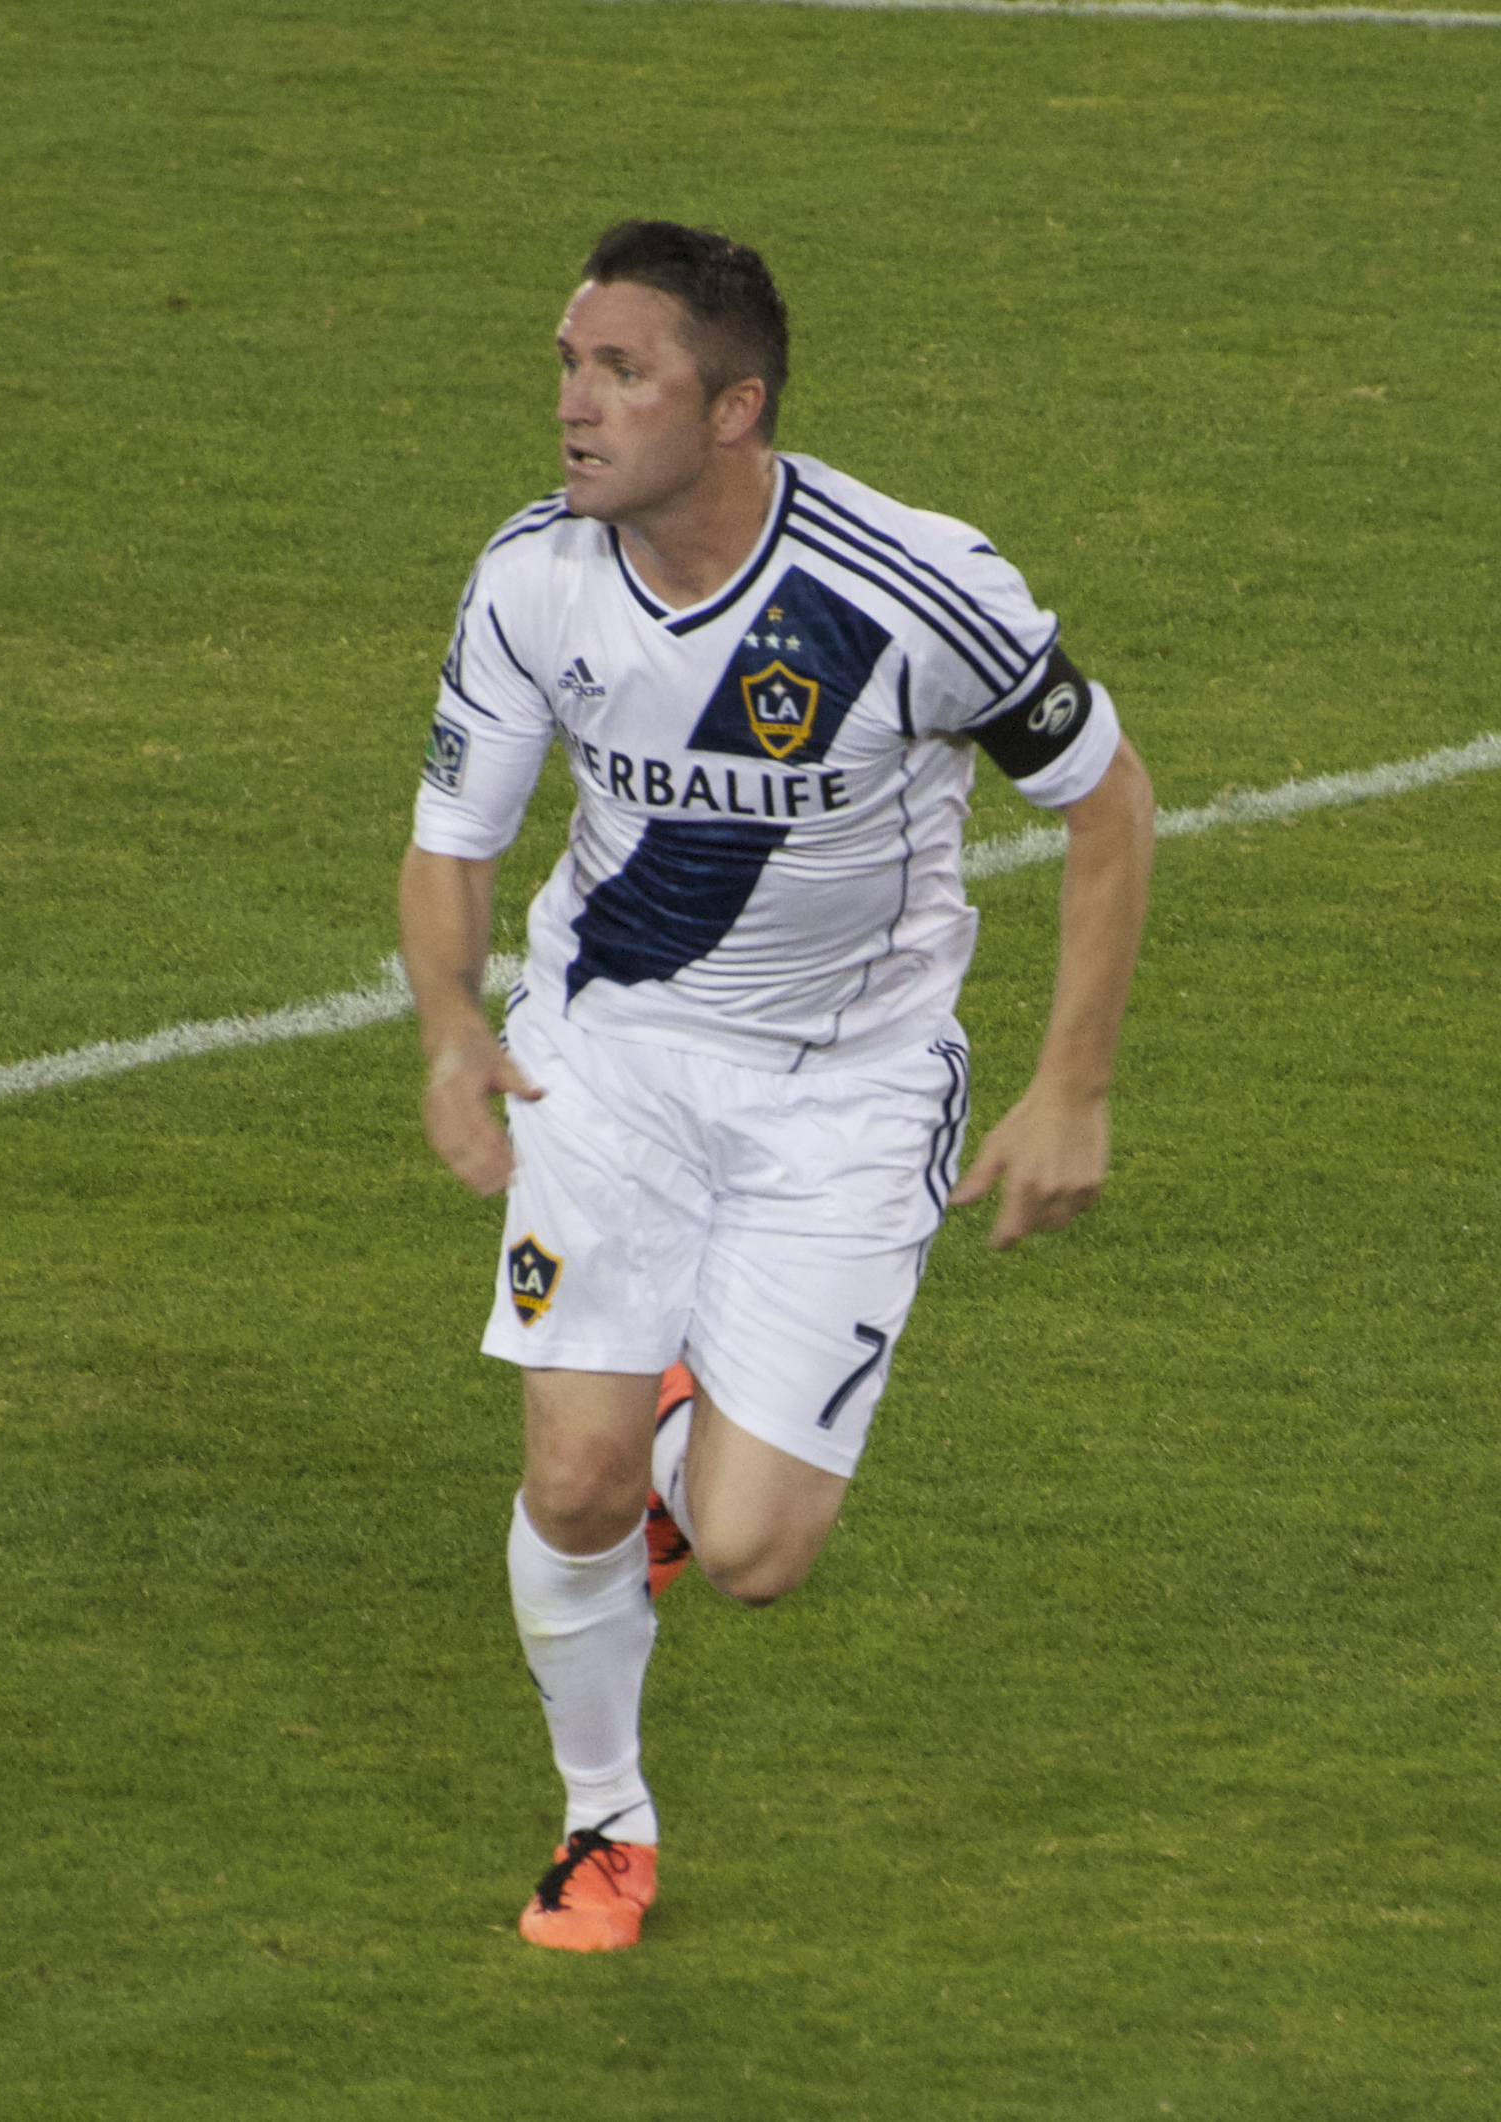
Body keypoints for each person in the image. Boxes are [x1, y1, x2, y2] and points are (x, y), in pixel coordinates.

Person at [399, 220, 1154, 1952]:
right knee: (572, 1485)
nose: (577, 407)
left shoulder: (912, 588)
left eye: (623, 372)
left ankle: (686, 1432)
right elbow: (453, 842)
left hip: (850, 1090)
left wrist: (1071, 1085)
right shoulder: (533, 578)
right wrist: (454, 1023)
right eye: (568, 366)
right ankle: (605, 1819)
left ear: (734, 407)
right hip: (614, 1057)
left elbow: (1109, 809)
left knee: (746, 1547)